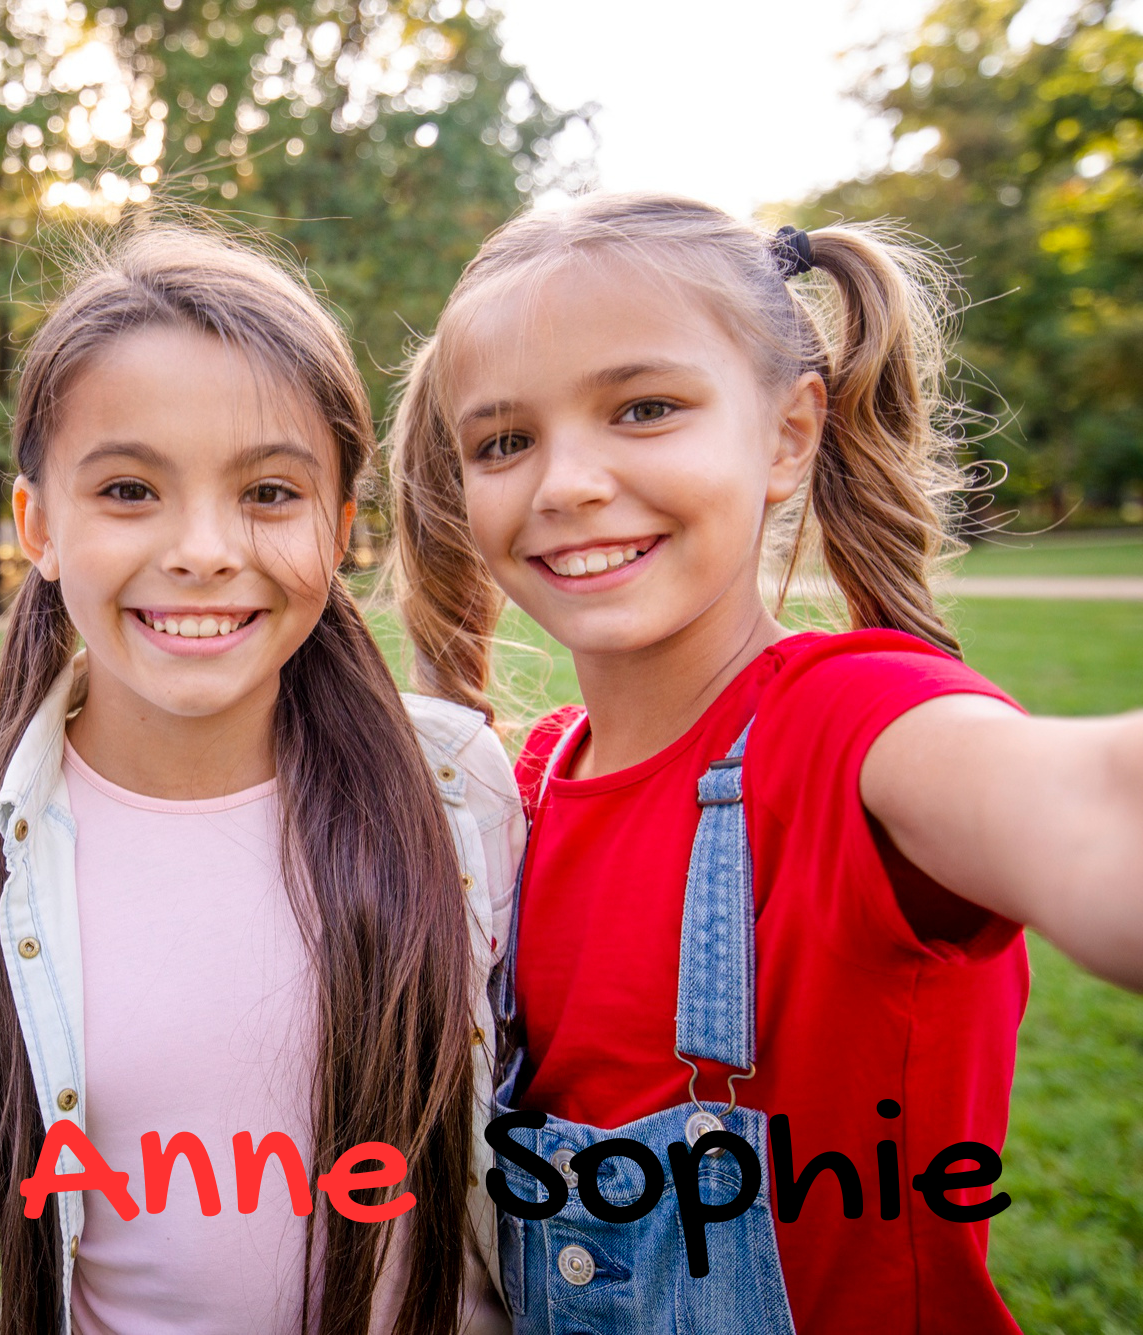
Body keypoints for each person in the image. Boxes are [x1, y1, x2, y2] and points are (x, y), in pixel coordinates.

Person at [388, 192, 1143, 1334]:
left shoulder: (855, 724)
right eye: (504, 441)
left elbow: (1092, 805)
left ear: (788, 435)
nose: (565, 483)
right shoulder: (525, 784)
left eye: (643, 409)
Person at [0, 228, 523, 1335]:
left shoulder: (457, 789)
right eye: (130, 489)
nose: (204, 549)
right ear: (37, 525)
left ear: (339, 529)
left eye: (269, 492)